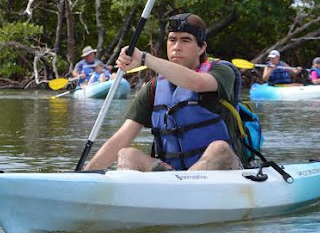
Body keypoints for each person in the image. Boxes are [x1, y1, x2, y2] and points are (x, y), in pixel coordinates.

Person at [84, 13, 248, 172]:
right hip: (172, 176)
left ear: (201, 48)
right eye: (172, 40)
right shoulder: (154, 88)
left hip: (228, 170)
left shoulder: (223, 71)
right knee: (126, 154)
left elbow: (196, 83)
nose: (177, 47)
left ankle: (183, 191)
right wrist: (85, 176)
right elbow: (121, 138)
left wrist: (144, 59)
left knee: (219, 149)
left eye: (185, 40)